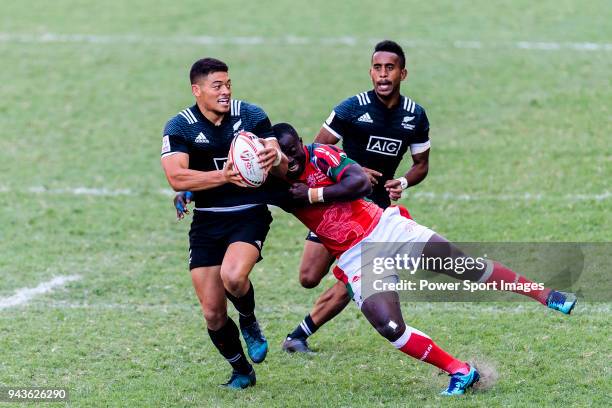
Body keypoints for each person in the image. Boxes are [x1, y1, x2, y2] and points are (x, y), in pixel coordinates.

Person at [271, 122, 577, 395]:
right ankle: (460, 371)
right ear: (274, 157)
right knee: (390, 327)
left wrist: (314, 195)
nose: (293, 157)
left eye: (294, 148)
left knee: (466, 267)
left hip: (384, 228)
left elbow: (360, 183)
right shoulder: (274, 182)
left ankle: (546, 294)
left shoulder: (320, 155)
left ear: (300, 142)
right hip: (354, 257)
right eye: (285, 154)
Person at [283, 40, 432, 353]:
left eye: (389, 68)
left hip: (374, 212)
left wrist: (403, 182)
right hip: (334, 201)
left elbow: (421, 166)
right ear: (370, 72)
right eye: (377, 68)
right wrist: (350, 169)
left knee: (352, 280)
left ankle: (298, 336)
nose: (383, 74)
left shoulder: (414, 116)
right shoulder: (351, 108)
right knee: (309, 277)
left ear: (403, 73)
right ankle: (302, 332)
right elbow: (315, 150)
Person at [160, 57, 286, 389]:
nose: (225, 91)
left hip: (249, 213)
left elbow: (280, 159)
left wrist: (276, 157)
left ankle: (248, 319)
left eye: (228, 84)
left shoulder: (252, 116)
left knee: (233, 275)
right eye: (217, 86)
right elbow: (176, 176)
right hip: (207, 223)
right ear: (197, 90)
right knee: (213, 313)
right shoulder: (180, 126)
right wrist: (221, 176)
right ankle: (241, 369)